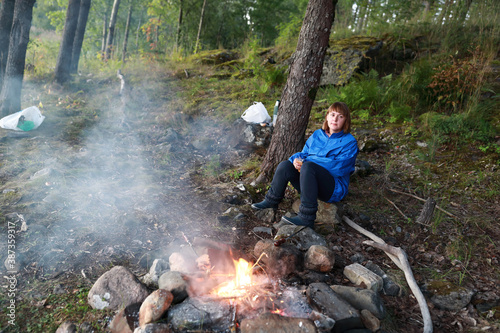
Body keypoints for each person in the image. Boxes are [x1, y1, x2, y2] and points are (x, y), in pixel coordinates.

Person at [251, 102, 359, 228]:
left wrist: (307, 162)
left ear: (345, 120)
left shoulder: (349, 142)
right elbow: (304, 154)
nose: (335, 119)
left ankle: (306, 218)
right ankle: (271, 201)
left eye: (340, 116)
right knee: (285, 165)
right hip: (309, 183)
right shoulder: (317, 135)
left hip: (331, 189)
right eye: (332, 114)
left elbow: (339, 167)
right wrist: (296, 160)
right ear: (327, 117)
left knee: (308, 167)